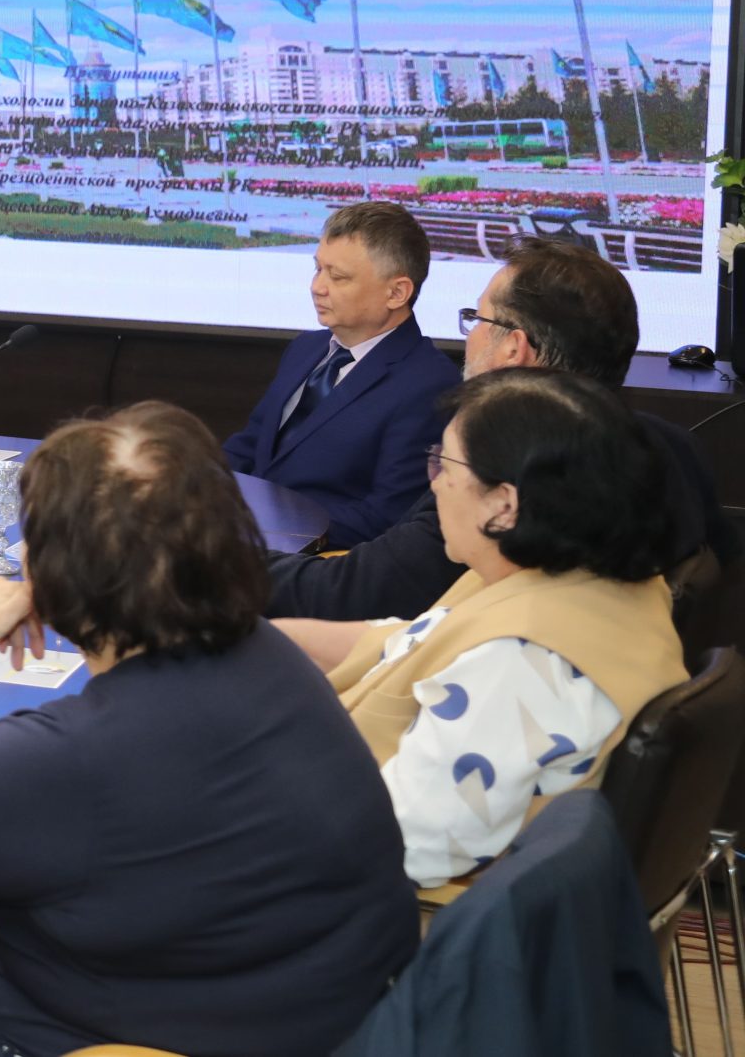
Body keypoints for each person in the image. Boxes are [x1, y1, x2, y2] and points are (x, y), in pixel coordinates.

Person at [0, 403, 416, 1057]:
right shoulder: (270, 656)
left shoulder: (73, 750)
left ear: (53, 573)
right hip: (313, 1020)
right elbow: (157, 868)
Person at [277, 369, 687, 895]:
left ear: (504, 505)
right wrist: (267, 636)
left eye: (444, 463)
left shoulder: (521, 662)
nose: (434, 482)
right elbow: (413, 644)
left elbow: (403, 844)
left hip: (398, 916)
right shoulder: (581, 581)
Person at [268, 235, 735, 619]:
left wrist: (232, 566)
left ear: (514, 348)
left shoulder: (509, 467)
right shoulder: (673, 444)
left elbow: (356, 593)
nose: (469, 336)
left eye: (476, 319)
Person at [222, 200, 458, 545]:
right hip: (242, 541)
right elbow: (251, 446)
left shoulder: (430, 384)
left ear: (396, 293)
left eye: (338, 276)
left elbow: (386, 517)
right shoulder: (305, 348)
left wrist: (261, 524)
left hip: (317, 560)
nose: (317, 286)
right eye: (318, 269)